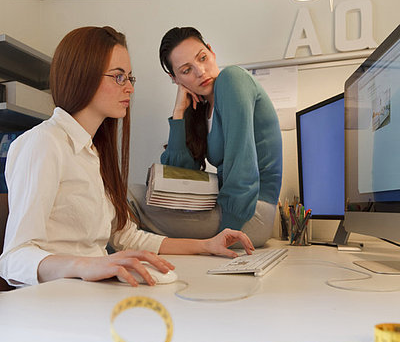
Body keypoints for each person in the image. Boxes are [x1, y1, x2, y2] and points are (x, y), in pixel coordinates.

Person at [0, 26, 254, 288]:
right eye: (119, 77)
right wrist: (86, 265)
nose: (130, 89)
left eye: (130, 78)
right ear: (82, 76)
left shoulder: (93, 152)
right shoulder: (43, 143)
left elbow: (126, 237)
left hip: (90, 293)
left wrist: (205, 245)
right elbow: (14, 259)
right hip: (56, 301)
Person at [130, 26, 282, 248]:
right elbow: (179, 176)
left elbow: (242, 168)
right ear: (175, 79)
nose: (200, 71)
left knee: (129, 199)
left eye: (202, 58)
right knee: (132, 202)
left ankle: (95, 267)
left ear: (211, 52)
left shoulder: (232, 80)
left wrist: (224, 236)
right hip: (232, 210)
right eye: (186, 70)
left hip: (250, 215)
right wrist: (179, 113)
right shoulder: (201, 108)